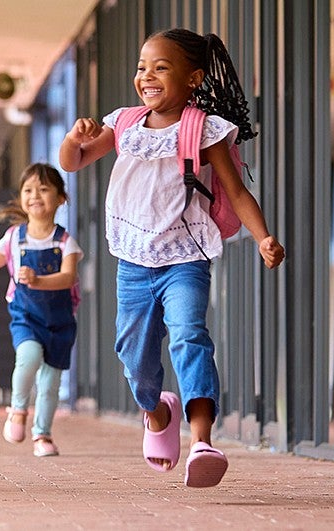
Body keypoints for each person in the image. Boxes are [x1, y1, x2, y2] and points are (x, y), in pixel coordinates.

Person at [57, 28, 285, 488]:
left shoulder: (204, 129)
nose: (148, 76)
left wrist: (263, 237)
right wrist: (72, 135)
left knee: (189, 337)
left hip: (185, 257)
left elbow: (238, 192)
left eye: (162, 67)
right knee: (134, 355)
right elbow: (73, 162)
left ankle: (203, 441)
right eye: (143, 67)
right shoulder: (123, 123)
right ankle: (158, 411)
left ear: (193, 78)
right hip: (134, 261)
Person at [0, 163, 82, 458]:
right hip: (26, 316)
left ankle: (43, 435)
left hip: (60, 321)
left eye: (44, 189)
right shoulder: (14, 236)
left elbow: (69, 277)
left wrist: (39, 280)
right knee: (28, 357)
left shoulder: (65, 241)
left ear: (61, 198)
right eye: (28, 190)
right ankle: (18, 410)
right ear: (21, 197)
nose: (35, 196)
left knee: (50, 383)